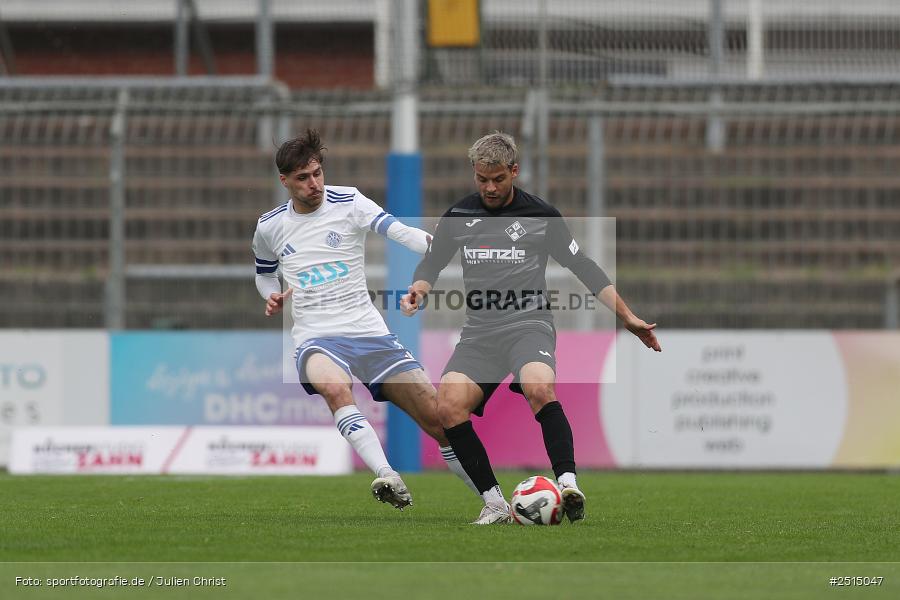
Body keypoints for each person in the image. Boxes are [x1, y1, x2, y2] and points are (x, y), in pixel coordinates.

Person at [401, 132, 661, 525]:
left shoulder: (541, 216)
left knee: (539, 388)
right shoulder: (458, 216)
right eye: (482, 179)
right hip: (480, 334)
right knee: (448, 407)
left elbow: (583, 266)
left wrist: (626, 316)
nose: (490, 188)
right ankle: (494, 504)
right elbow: (432, 263)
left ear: (514, 171)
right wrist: (419, 289)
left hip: (528, 324)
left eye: (498, 179)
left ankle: (568, 485)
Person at [252, 129, 478, 510]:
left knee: (440, 420)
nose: (314, 184)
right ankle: (386, 474)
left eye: (317, 173)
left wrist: (437, 246)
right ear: (284, 181)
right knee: (335, 388)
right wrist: (270, 294)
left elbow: (398, 231)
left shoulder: (349, 201)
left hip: (368, 332)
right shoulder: (269, 226)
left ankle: (494, 502)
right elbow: (264, 274)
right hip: (316, 336)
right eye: (303, 178)